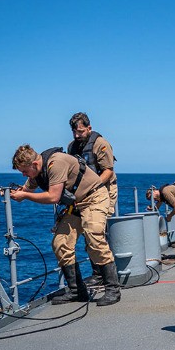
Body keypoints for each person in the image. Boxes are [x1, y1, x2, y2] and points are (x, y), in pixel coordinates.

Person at [10, 144, 120, 306]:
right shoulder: (38, 170)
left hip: (94, 197)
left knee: (94, 236)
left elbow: (53, 197)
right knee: (60, 243)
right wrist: (17, 191)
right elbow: (28, 186)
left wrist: (25, 196)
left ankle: (112, 289)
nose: (24, 175)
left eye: (25, 171)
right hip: (77, 204)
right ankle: (77, 291)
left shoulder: (56, 163)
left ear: (34, 164)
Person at [68, 112, 117, 286]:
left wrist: (92, 186)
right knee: (88, 233)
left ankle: (107, 277)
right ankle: (98, 273)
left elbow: (108, 171)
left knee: (97, 231)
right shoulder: (72, 147)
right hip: (84, 195)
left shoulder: (100, 144)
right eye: (74, 132)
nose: (76, 135)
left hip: (105, 191)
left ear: (89, 128)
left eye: (80, 131)